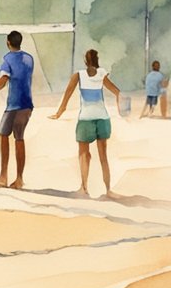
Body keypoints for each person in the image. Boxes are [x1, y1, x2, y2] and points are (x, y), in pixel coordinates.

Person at [50, 49, 123, 198]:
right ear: (97, 59)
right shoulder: (102, 73)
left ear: (85, 61)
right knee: (103, 156)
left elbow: (67, 96)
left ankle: (84, 188)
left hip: (86, 119)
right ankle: (108, 189)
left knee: (84, 154)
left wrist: (59, 113)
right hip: (103, 118)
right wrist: (121, 111)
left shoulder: (79, 75)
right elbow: (117, 92)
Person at [0, 31, 35, 189]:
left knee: (3, 134)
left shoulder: (7, 60)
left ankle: (3, 176)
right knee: (19, 138)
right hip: (27, 104)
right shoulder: (29, 58)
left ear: (8, 43)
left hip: (14, 104)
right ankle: (19, 179)